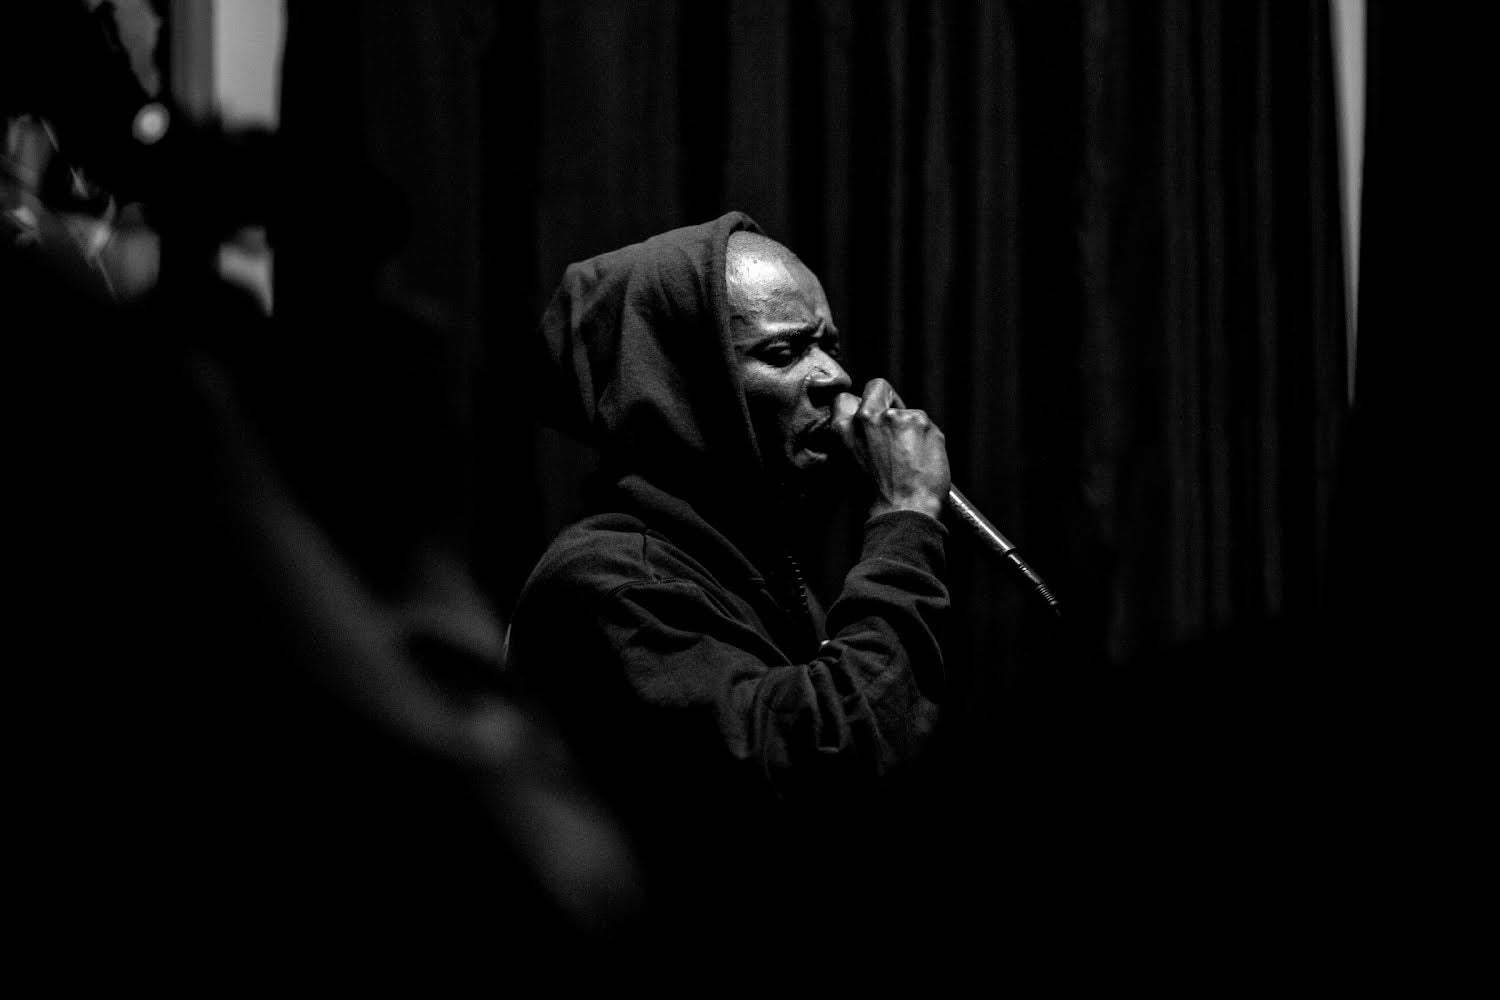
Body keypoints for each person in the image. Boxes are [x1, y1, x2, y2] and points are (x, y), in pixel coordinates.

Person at [506, 212, 953, 962]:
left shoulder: (737, 560)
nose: (835, 378)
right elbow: (830, 763)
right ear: (679, 385)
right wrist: (905, 517)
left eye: (829, 345)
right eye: (785, 352)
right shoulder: (609, 582)